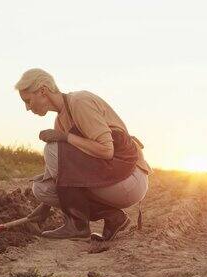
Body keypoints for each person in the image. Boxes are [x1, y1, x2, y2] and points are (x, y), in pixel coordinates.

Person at [15, 68, 152, 241]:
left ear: (42, 91)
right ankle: (113, 217)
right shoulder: (60, 120)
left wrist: (65, 137)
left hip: (130, 178)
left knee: (51, 149)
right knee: (41, 189)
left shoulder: (80, 102)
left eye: (28, 100)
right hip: (109, 176)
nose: (27, 108)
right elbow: (66, 176)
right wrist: (45, 207)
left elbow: (106, 151)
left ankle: (78, 225)